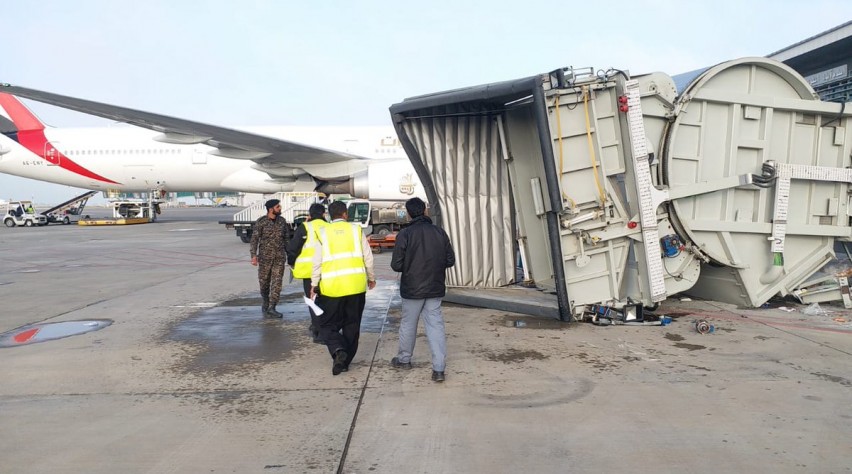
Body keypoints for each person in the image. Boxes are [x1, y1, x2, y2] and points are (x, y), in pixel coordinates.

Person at [389, 197, 455, 383]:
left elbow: (396, 265)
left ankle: (404, 360)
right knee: (435, 325)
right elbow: (450, 260)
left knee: (409, 323)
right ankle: (439, 369)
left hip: (412, 288)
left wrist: (412, 265)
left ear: (408, 213)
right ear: (425, 211)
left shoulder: (405, 234)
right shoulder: (439, 232)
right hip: (435, 287)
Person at [310, 200, 376, 375]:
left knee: (325, 324)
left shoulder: (323, 233)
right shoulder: (356, 230)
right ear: (345, 214)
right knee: (352, 324)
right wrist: (371, 278)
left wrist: (314, 284)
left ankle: (338, 349)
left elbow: (317, 263)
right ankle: (344, 361)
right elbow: (368, 257)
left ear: (330, 215)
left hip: (332, 288)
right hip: (356, 286)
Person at [286, 202, 328, 343]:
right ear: (324, 214)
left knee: (313, 301)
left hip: (308, 272)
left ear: (309, 215)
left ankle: (318, 332)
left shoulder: (305, 227)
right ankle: (327, 329)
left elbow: (293, 248)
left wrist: (291, 261)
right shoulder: (329, 227)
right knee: (327, 301)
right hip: (327, 270)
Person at [250, 199, 289, 318]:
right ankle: (265, 301)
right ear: (271, 209)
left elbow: (286, 239)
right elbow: (254, 239)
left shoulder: (282, 221)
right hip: (265, 258)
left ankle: (273, 307)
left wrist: (290, 254)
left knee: (277, 283)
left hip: (279, 257)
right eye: (278, 207)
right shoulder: (261, 222)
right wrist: (253, 256)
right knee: (264, 283)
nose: (280, 208)